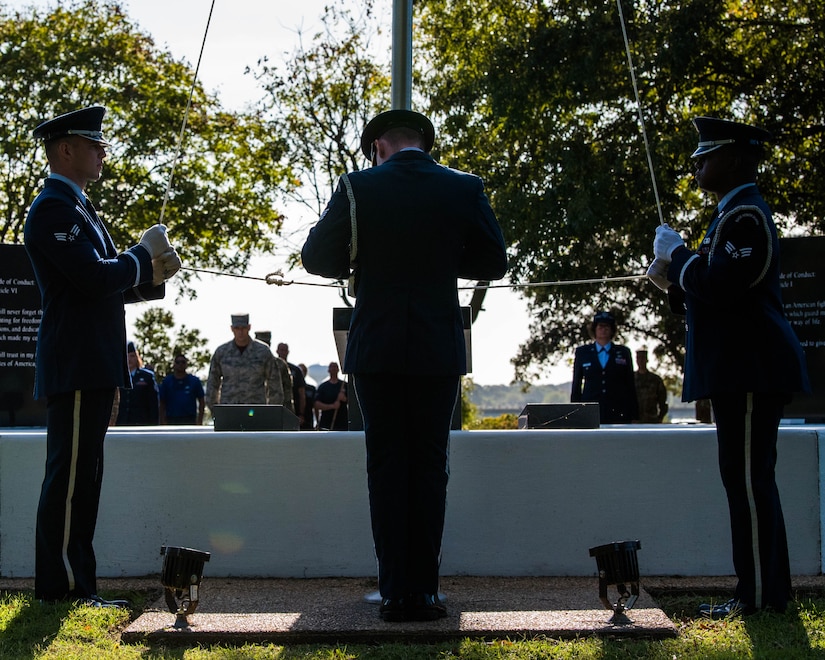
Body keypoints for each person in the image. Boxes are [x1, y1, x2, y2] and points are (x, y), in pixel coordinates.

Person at [302, 109, 508, 622]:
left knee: (388, 468)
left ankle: (396, 592)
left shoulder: (357, 187)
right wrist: (440, 257)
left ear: (378, 146)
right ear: (424, 145)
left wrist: (363, 257)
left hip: (377, 349)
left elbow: (315, 257)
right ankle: (426, 592)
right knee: (430, 469)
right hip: (438, 348)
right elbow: (493, 261)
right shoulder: (463, 188)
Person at [649, 116, 810, 616]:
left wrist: (677, 257)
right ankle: (763, 592)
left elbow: (722, 284)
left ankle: (760, 597)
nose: (697, 162)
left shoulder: (745, 217)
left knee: (748, 482)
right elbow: (717, 295)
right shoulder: (731, 216)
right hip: (742, 369)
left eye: (708, 154)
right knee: (747, 481)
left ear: (737, 160)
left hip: (748, 369)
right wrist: (673, 281)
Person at [23, 105, 180, 606]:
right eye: (92, 144)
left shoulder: (79, 210)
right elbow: (93, 277)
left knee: (84, 479)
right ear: (63, 149)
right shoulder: (53, 209)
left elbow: (102, 284)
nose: (102, 151)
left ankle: (78, 584)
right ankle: (63, 588)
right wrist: (140, 256)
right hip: (75, 361)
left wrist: (150, 277)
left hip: (91, 360)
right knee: (69, 479)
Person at [570, 311, 639, 424]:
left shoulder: (623, 352)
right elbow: (576, 385)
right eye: (600, 326)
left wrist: (634, 414)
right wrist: (574, 413)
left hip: (618, 411)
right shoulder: (583, 352)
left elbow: (630, 385)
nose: (603, 329)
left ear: (612, 329)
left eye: (607, 326)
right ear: (595, 329)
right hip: (590, 411)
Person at [205, 314, 283, 410]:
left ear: (249, 327)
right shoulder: (222, 352)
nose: (241, 332)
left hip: (256, 410)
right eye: (237, 328)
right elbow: (212, 383)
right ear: (232, 329)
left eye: (244, 328)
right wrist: (215, 410)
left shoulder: (263, 352)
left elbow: (275, 384)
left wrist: (271, 411)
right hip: (229, 410)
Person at [114, 342, 159, 425]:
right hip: (122, 423)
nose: (129, 359)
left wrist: (154, 423)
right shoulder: (118, 377)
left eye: (132, 356)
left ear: (137, 358)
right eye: (126, 356)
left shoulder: (147, 376)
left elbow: (153, 404)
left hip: (141, 422)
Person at [158, 353, 205, 425]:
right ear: (174, 364)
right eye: (178, 362)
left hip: (190, 419)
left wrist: (199, 421)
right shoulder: (167, 381)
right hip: (171, 419)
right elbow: (162, 402)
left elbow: (201, 401)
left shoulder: (194, 381)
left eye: (183, 362)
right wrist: (162, 421)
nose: (180, 364)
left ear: (186, 364)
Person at [634, 349, 668, 423]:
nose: (640, 361)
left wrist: (660, 418)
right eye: (638, 358)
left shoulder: (655, 380)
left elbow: (663, 402)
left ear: (647, 360)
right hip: (635, 421)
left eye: (642, 358)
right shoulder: (631, 379)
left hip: (651, 420)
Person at [277, 342, 307, 426]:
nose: (283, 352)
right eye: (281, 350)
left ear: (288, 352)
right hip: (275, 407)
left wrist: (301, 414)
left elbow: (302, 394)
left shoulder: (296, 370)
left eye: (285, 350)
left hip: (291, 409)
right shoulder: (272, 367)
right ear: (277, 351)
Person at [314, 362, 348, 431]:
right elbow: (316, 404)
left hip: (342, 423)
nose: (333, 369)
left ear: (338, 370)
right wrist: (332, 406)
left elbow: (354, 403)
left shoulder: (345, 385)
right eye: (331, 367)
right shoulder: (323, 387)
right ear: (328, 370)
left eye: (335, 367)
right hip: (326, 423)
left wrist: (344, 399)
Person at [299, 363, 317, 429]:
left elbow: (315, 405)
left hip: (308, 419)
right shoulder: (292, 389)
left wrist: (317, 421)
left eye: (303, 371)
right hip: (297, 418)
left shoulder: (311, 388)